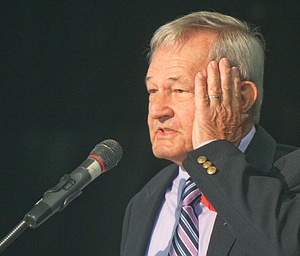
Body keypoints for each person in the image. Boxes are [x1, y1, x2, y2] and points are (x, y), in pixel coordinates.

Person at [120, 11, 300, 256]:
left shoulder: (292, 175)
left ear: (242, 97)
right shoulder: (145, 201)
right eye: (152, 90)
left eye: (179, 90)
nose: (157, 110)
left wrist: (215, 151)